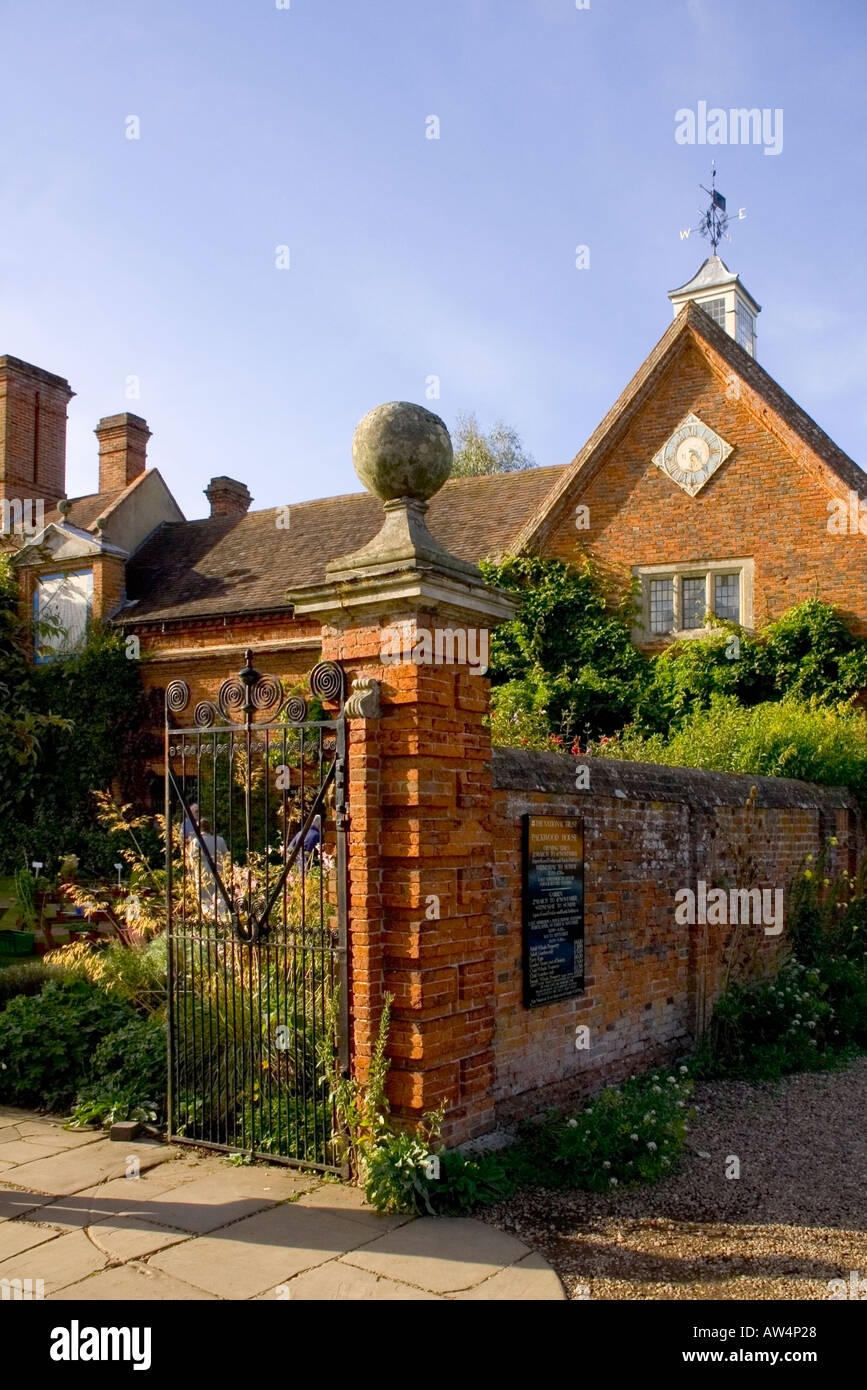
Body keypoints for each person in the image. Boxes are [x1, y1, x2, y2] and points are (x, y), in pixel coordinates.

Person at [188, 816, 230, 919]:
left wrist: (192, 874)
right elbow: (227, 857)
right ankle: (221, 921)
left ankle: (211, 920)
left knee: (205, 900)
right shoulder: (220, 840)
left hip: (203, 875)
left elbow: (192, 860)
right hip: (219, 874)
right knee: (220, 900)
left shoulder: (196, 842)